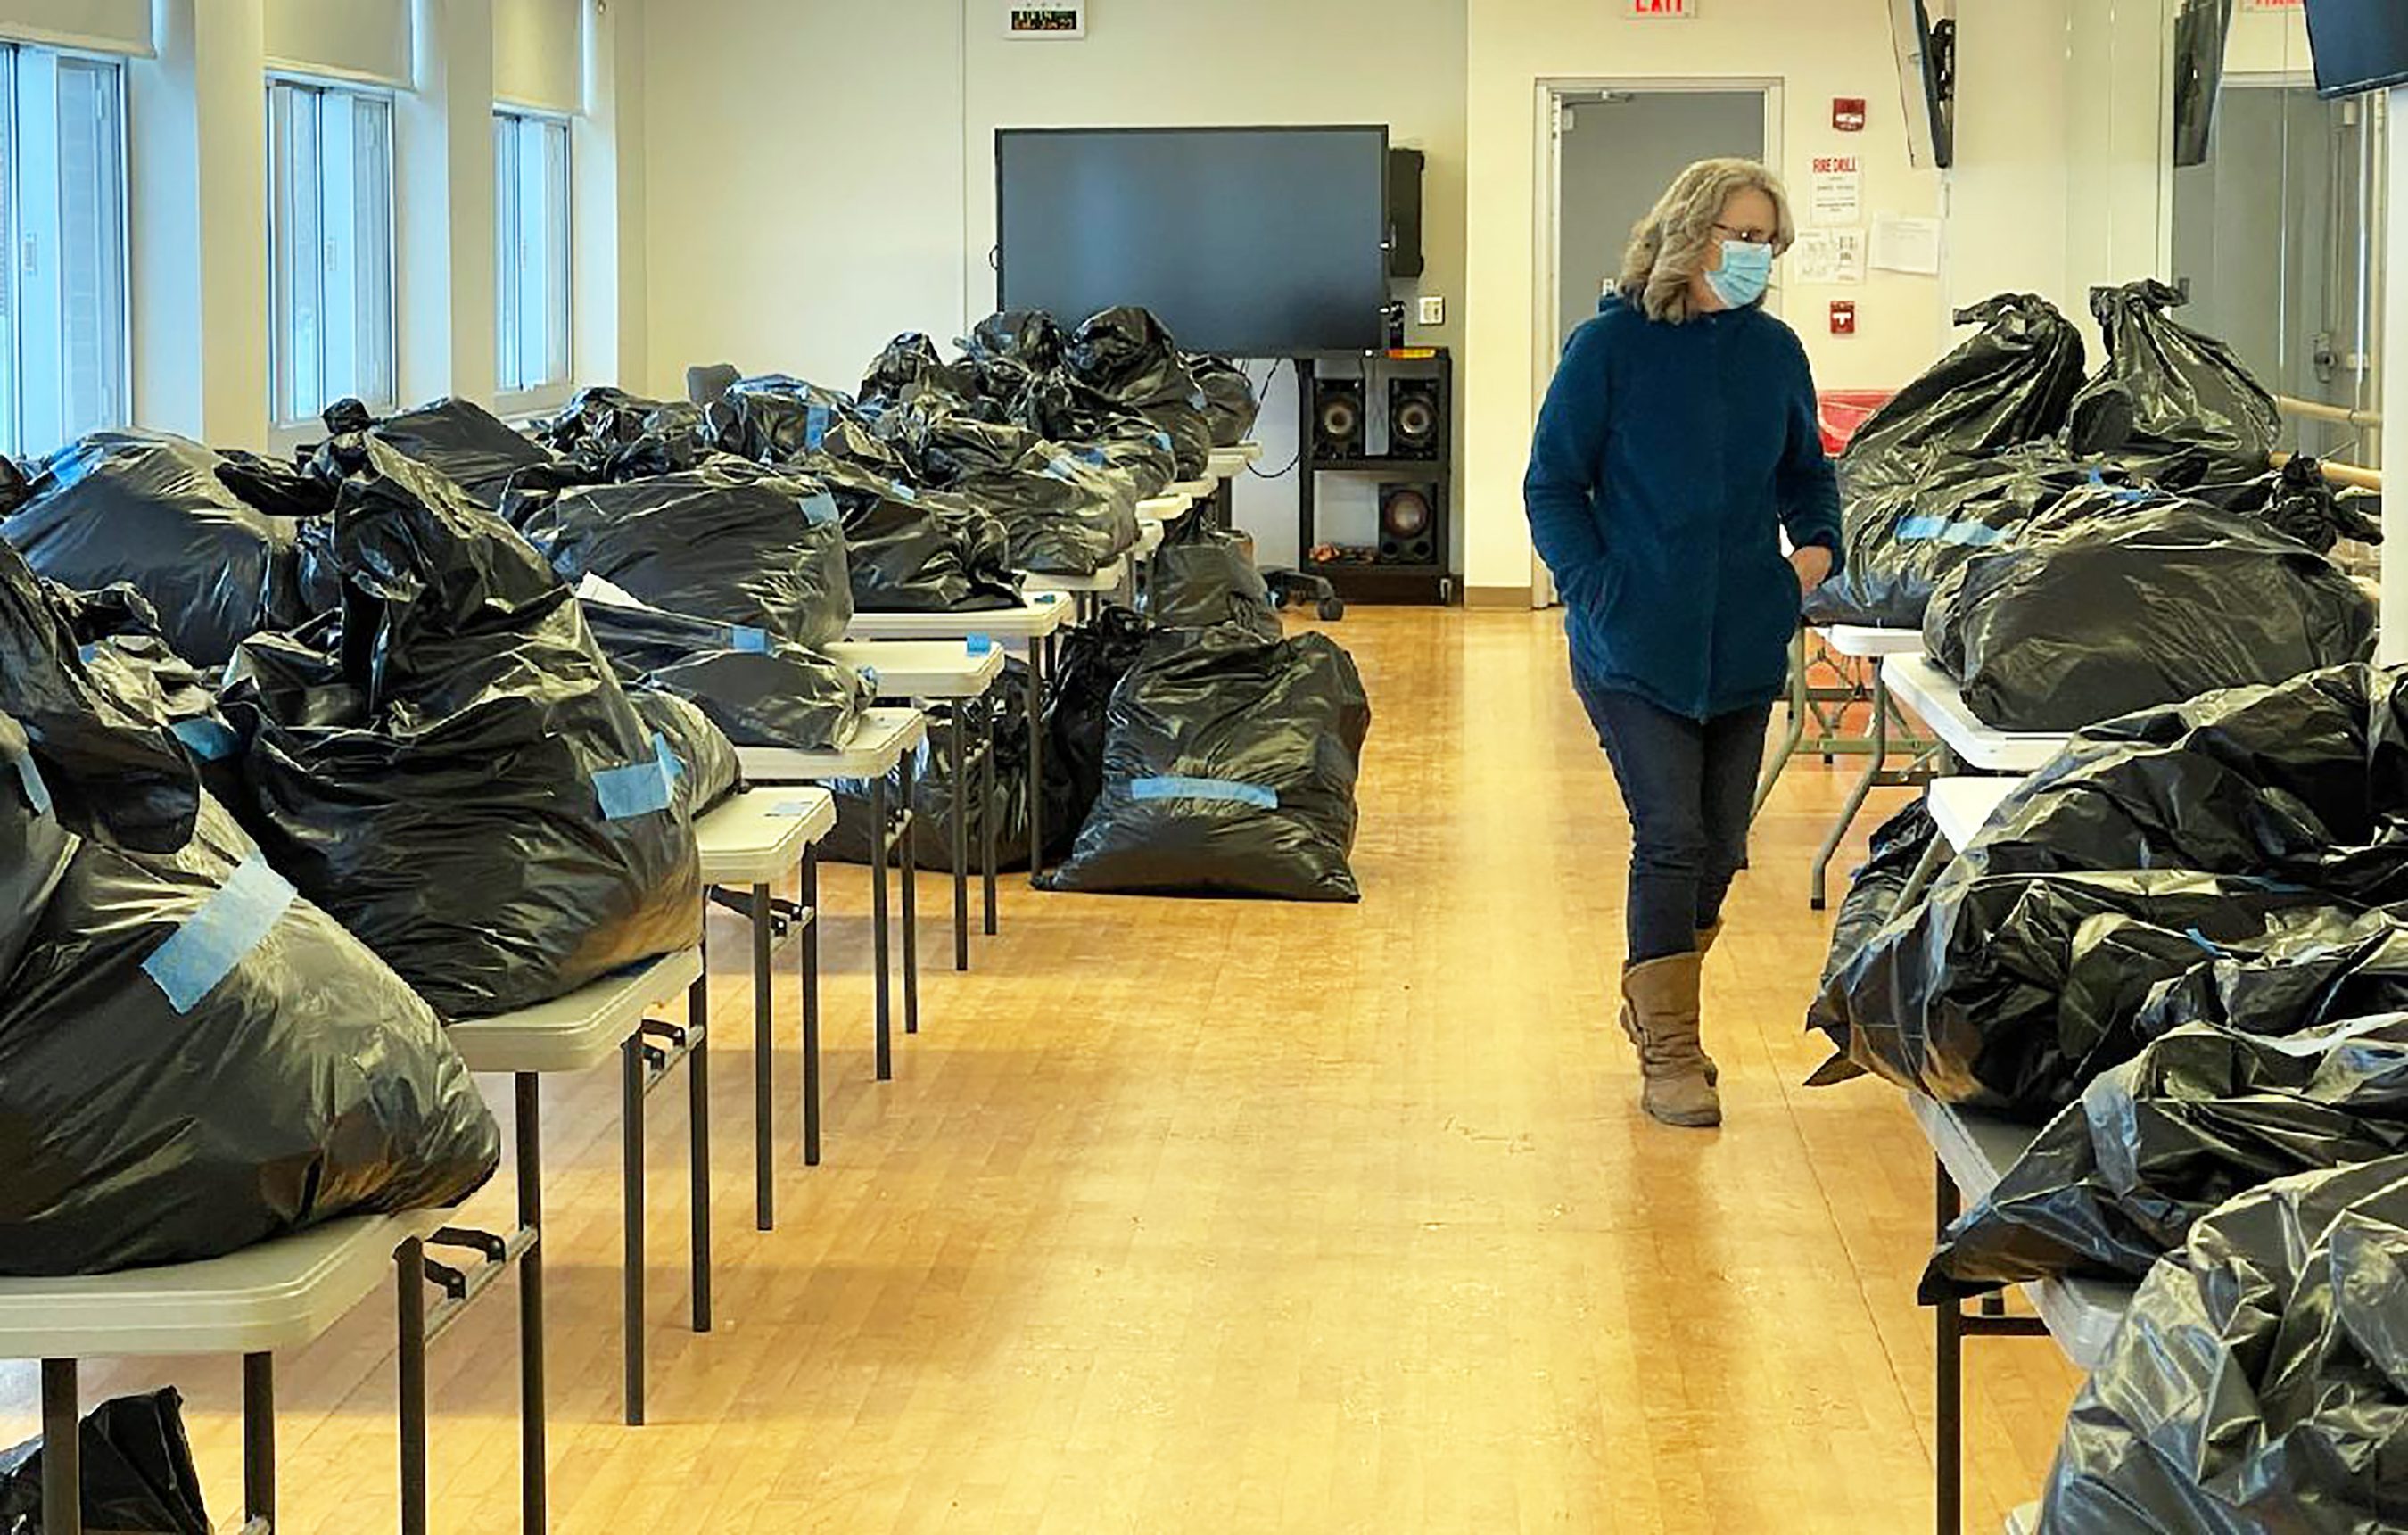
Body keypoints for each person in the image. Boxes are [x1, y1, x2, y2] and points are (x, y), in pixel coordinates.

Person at [1523, 158, 1843, 1130]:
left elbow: (1806, 476)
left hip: (1741, 640)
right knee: (1669, 838)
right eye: (1738, 235)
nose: (1752, 255)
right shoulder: (1609, 347)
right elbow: (1551, 486)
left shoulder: (1775, 352)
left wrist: (1808, 563)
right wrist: (1594, 587)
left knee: (1722, 849)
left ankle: (1652, 991)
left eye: (1766, 241)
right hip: (1630, 643)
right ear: (1689, 233)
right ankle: (1671, 1050)